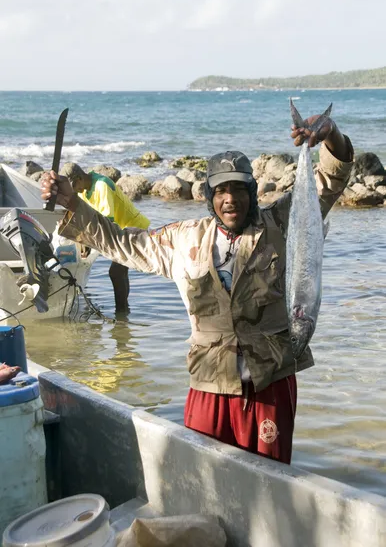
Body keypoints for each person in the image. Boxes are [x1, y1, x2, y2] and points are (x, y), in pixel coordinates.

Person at [41, 113, 353, 464]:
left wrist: (332, 135)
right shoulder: (183, 238)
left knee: (271, 486)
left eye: (239, 189)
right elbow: (121, 243)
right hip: (209, 384)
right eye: (221, 190)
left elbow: (331, 179)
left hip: (271, 385)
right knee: (205, 483)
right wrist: (71, 203)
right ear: (209, 196)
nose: (230, 199)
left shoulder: (282, 221)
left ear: (252, 192)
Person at [59, 163, 150, 313]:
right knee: (119, 271)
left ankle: (121, 313)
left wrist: (87, 243)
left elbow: (107, 220)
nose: (76, 192)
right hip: (119, 232)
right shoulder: (83, 191)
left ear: (80, 178)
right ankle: (123, 310)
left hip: (132, 229)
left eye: (75, 188)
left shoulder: (102, 186)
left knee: (116, 272)